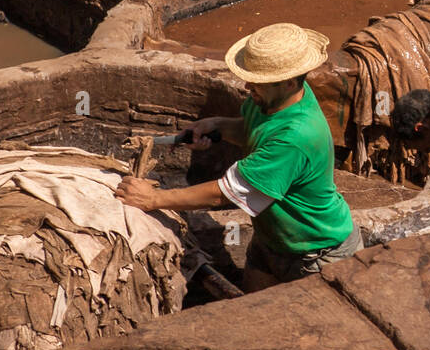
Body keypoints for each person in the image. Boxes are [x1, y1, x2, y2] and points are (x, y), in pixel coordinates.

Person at [116, 22, 362, 289]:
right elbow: (253, 129)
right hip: (273, 241)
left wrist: (153, 199)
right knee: (252, 312)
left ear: (289, 82)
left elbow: (225, 192)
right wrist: (218, 126)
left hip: (317, 253)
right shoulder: (274, 100)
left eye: (258, 83)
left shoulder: (296, 136)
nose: (247, 86)